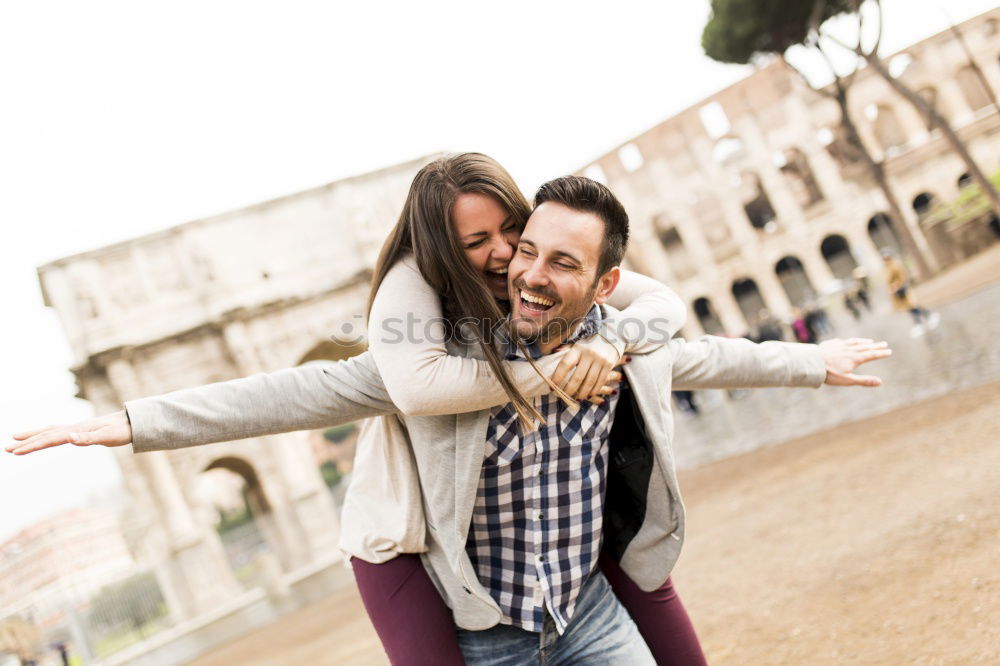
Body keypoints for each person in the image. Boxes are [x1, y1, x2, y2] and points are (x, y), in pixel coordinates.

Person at [9, 174, 892, 665]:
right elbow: (278, 395)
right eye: (489, 248)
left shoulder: (607, 332)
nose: (514, 260)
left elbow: (703, 351)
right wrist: (126, 422)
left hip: (582, 611)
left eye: (525, 239)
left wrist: (813, 361)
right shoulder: (417, 359)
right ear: (446, 260)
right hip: (485, 629)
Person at [882, 251, 938, 333]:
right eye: (884, 259)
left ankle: (927, 317)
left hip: (902, 290)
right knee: (909, 307)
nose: (885, 261)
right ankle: (920, 322)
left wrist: (895, 285)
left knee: (913, 306)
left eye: (886, 259)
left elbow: (903, 278)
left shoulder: (896, 266)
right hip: (897, 293)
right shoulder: (888, 268)